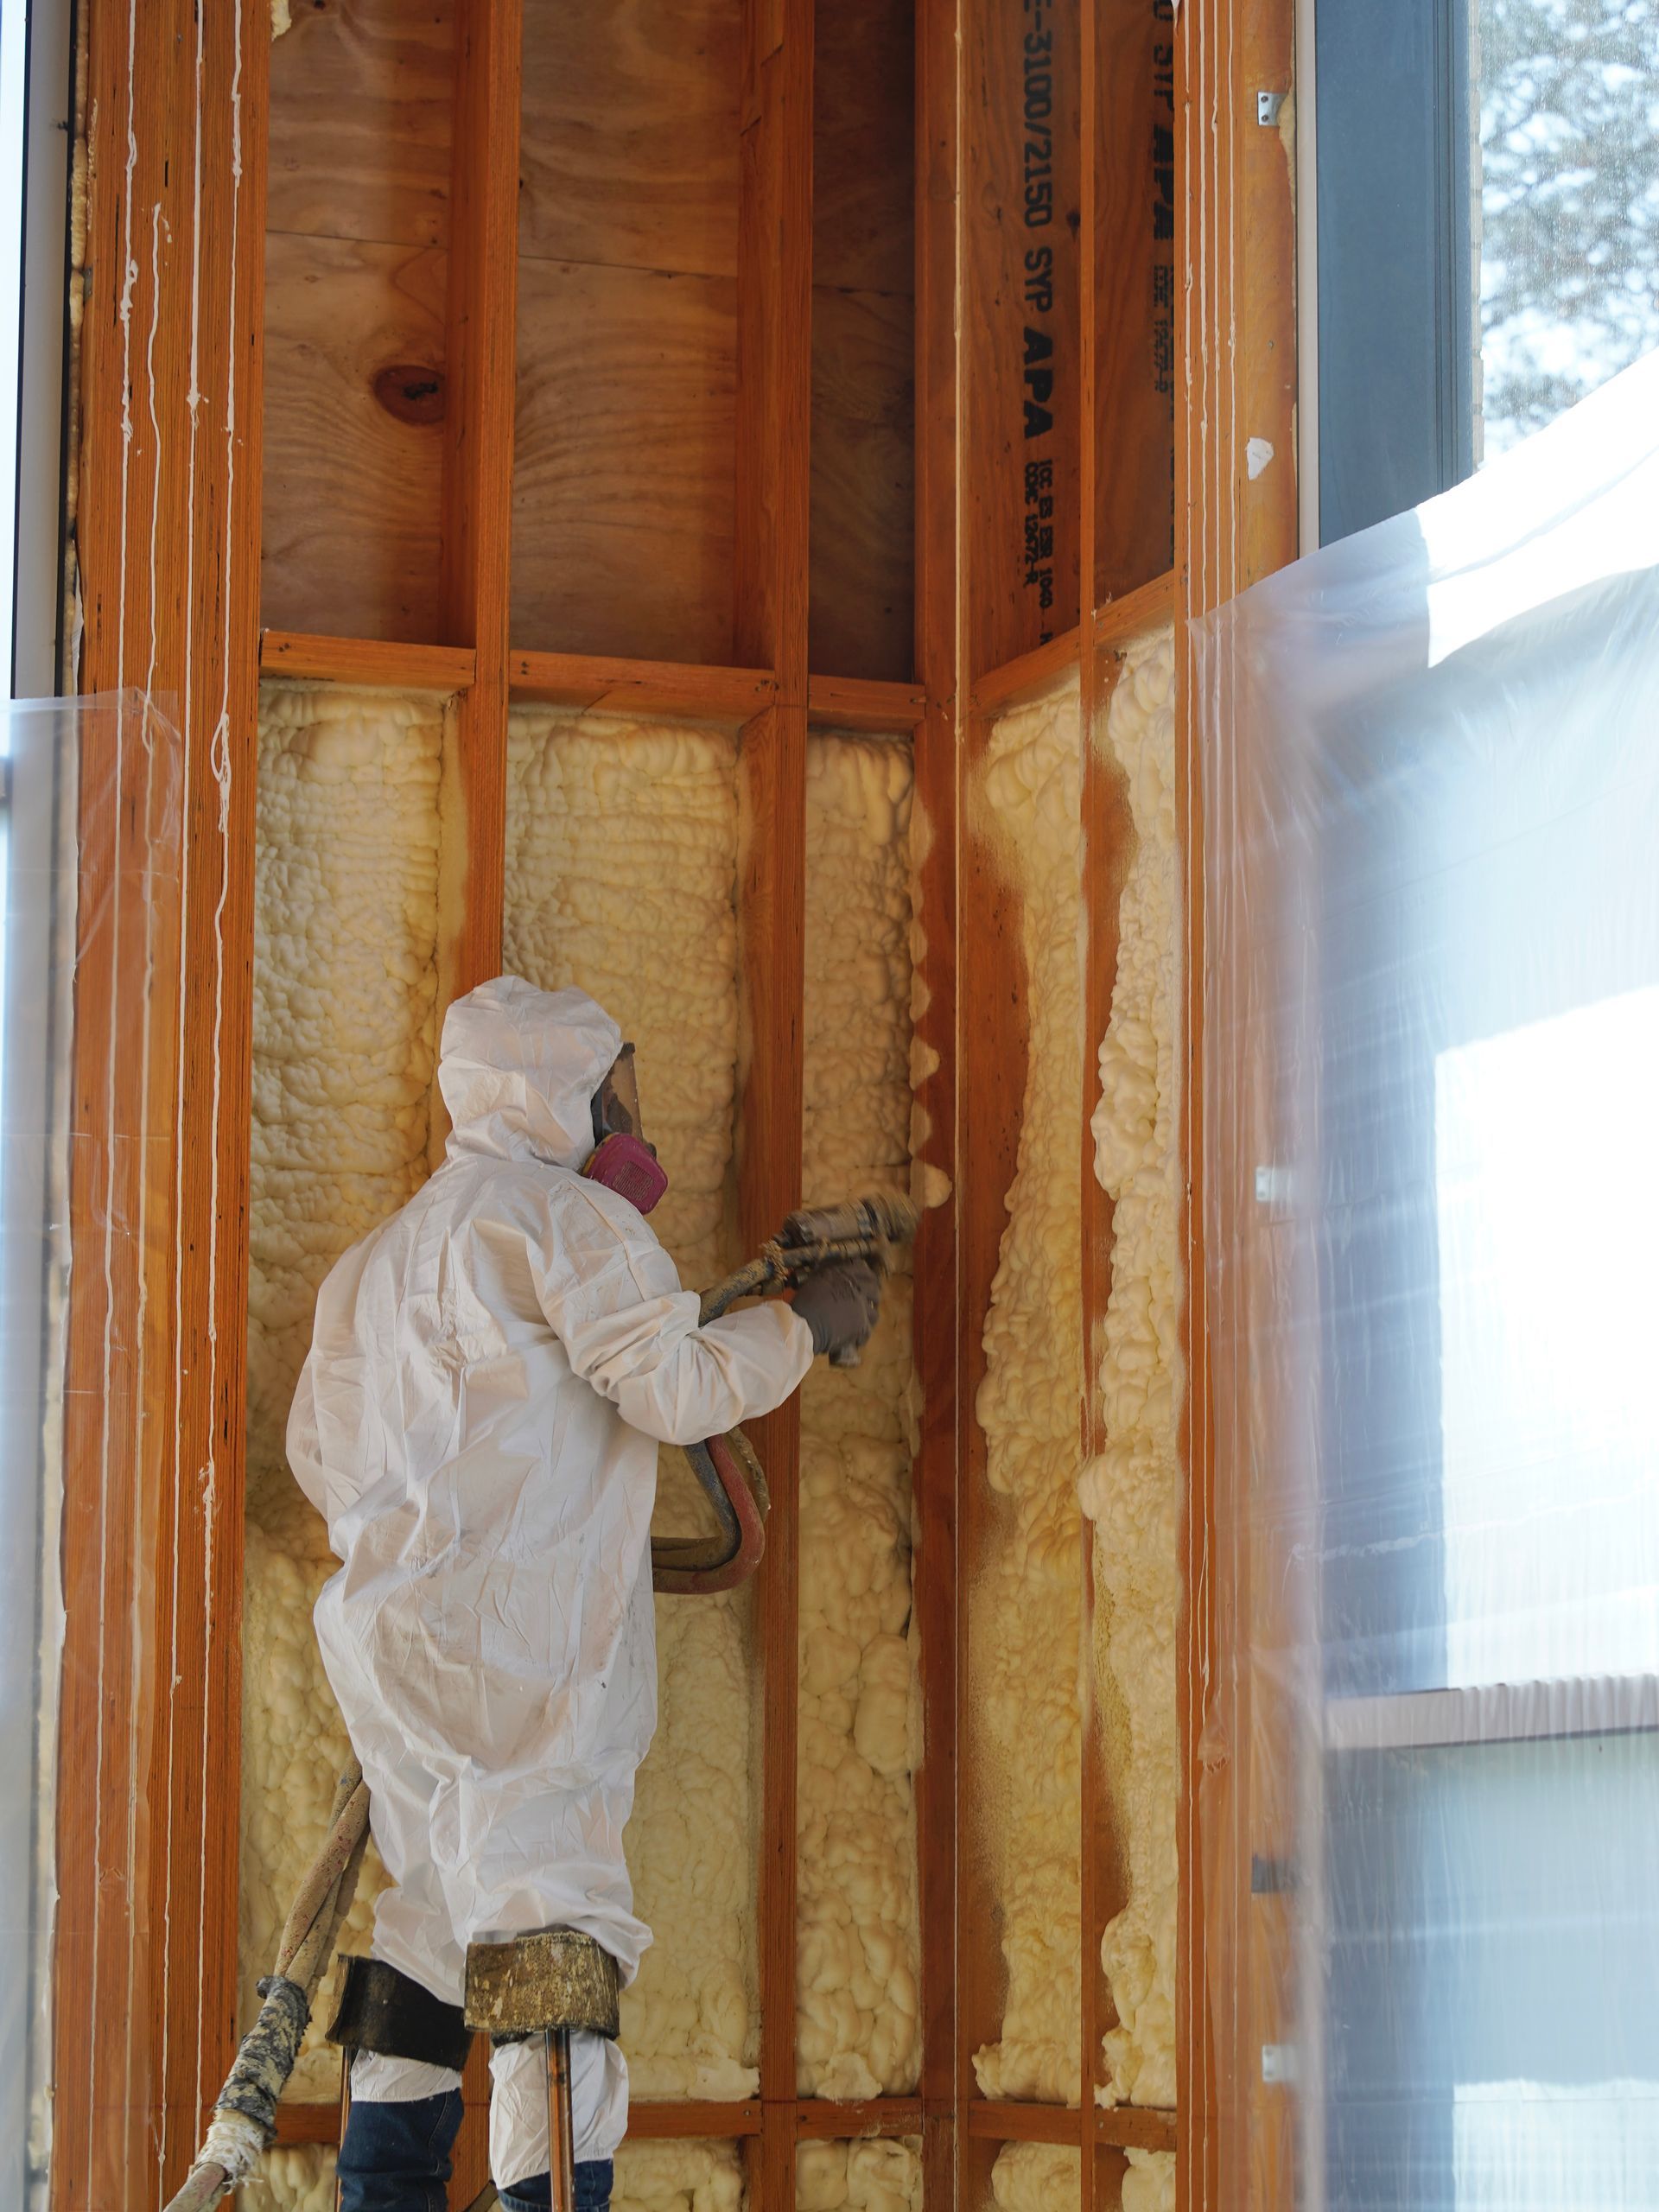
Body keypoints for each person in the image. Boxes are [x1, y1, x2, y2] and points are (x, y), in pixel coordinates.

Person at [287, 975, 881, 2212]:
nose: (638, 1123)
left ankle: (379, 2196)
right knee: (555, 1942)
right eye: (623, 1091)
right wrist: (804, 1330)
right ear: (563, 1093)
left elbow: (323, 1460)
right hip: (528, 1657)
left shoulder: (381, 1260)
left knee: (437, 1921)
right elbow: (670, 1391)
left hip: (392, 1660)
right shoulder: (568, 1225)